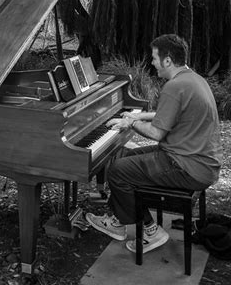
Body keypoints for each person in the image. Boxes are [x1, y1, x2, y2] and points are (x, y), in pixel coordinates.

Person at [86, 34, 222, 254]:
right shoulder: (193, 79)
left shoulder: (174, 86)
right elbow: (167, 114)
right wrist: (139, 116)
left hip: (188, 167)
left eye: (154, 58)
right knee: (124, 157)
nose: (152, 63)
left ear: (167, 60)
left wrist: (129, 122)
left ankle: (151, 230)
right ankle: (116, 222)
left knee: (118, 171)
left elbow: (157, 133)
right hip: (199, 160)